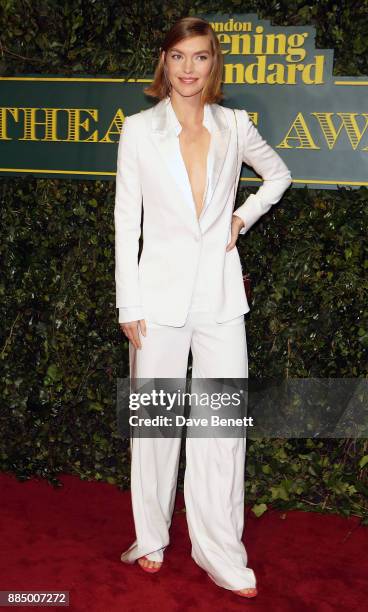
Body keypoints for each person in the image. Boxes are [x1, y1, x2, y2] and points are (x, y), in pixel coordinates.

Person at [114, 16, 292, 599]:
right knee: (157, 425)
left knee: (222, 430)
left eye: (201, 58)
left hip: (218, 298)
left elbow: (279, 175)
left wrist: (241, 217)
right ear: (163, 62)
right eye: (179, 57)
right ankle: (151, 535)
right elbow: (126, 222)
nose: (189, 69)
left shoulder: (234, 126)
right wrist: (128, 300)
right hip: (157, 299)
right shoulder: (139, 131)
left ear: (214, 65)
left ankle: (221, 551)